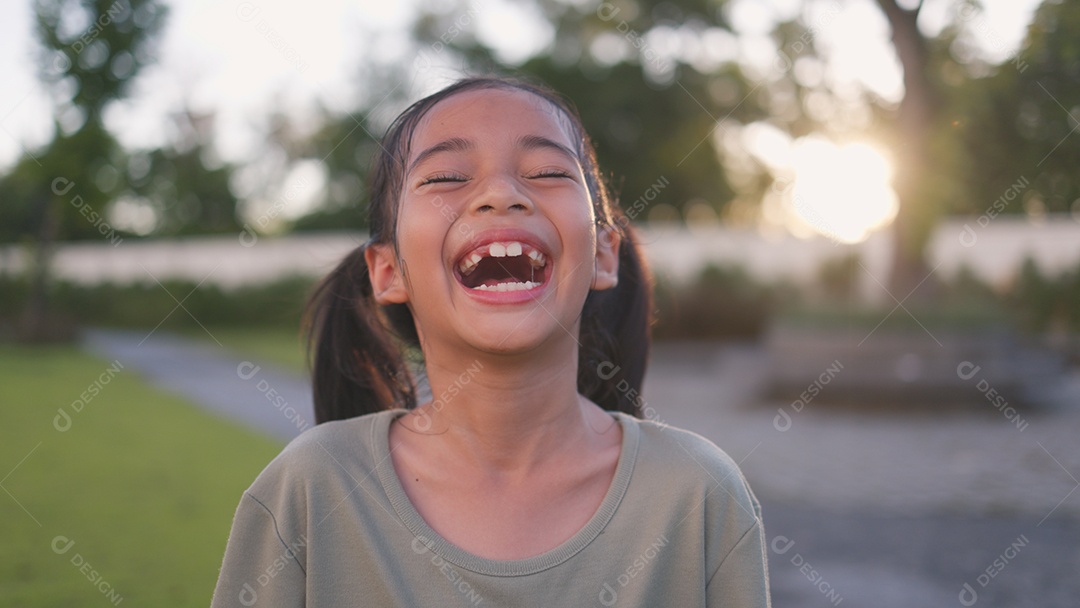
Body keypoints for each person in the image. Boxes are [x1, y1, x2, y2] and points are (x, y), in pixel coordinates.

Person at [211, 76, 771, 607]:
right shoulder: (310, 489)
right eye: (446, 178)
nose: (502, 194)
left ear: (604, 255)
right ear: (388, 271)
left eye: (547, 171)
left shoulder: (699, 493)